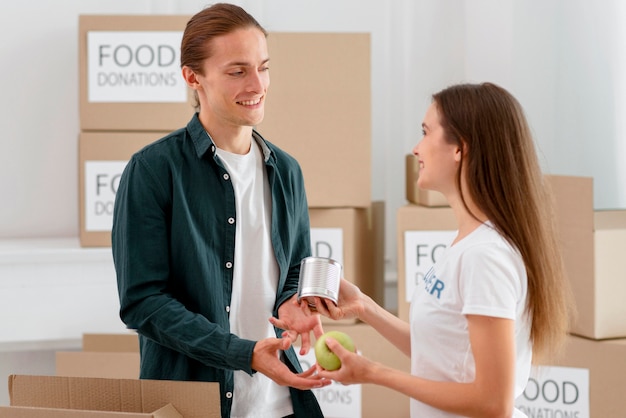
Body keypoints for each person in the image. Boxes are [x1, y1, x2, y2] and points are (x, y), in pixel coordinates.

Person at [292, 82, 574, 417]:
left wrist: (374, 373)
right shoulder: (468, 244)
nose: (416, 148)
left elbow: (492, 402)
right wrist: (364, 307)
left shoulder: (485, 257)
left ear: (460, 149)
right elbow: (441, 356)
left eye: (426, 132)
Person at [111, 3, 329, 418]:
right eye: (237, 71)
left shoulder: (287, 171)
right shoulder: (154, 170)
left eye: (263, 67)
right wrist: (241, 353)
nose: (257, 84)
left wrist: (290, 303)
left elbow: (294, 271)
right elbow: (143, 302)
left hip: (280, 403)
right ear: (193, 77)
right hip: (194, 404)